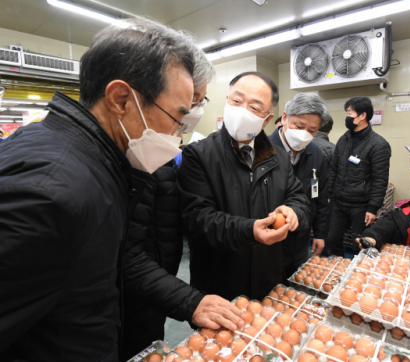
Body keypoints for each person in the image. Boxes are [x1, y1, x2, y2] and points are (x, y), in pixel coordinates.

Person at [0, 19, 243, 362]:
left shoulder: (102, 166)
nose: (178, 136)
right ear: (120, 99)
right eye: (177, 118)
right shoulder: (50, 190)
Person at [178, 71, 310, 301]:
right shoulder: (198, 155)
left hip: (268, 278)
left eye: (254, 107)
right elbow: (197, 219)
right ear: (227, 101)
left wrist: (293, 212)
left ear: (267, 119)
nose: (241, 110)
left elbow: (297, 197)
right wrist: (249, 231)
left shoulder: (278, 157)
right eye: (236, 101)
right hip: (219, 284)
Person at [121, 49, 215, 360]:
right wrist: (188, 301)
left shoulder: (157, 149)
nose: (192, 111)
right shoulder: (122, 155)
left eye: (199, 101)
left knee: (149, 345)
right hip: (127, 297)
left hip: (155, 289)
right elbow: (126, 255)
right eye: (188, 104)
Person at [268, 92, 330, 282]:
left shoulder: (316, 155)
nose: (304, 134)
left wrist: (319, 233)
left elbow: (320, 198)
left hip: (301, 238)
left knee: (296, 282)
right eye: (299, 126)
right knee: (269, 287)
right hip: (269, 239)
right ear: (285, 118)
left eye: (312, 131)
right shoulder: (263, 151)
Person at [327, 96, 391, 257]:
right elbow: (334, 168)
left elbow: (380, 179)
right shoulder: (344, 139)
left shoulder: (379, 144)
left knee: (359, 244)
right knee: (332, 239)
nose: (347, 117)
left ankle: (356, 274)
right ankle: (337, 267)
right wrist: (328, 193)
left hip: (361, 206)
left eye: (350, 113)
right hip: (339, 202)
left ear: (362, 116)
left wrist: (373, 207)